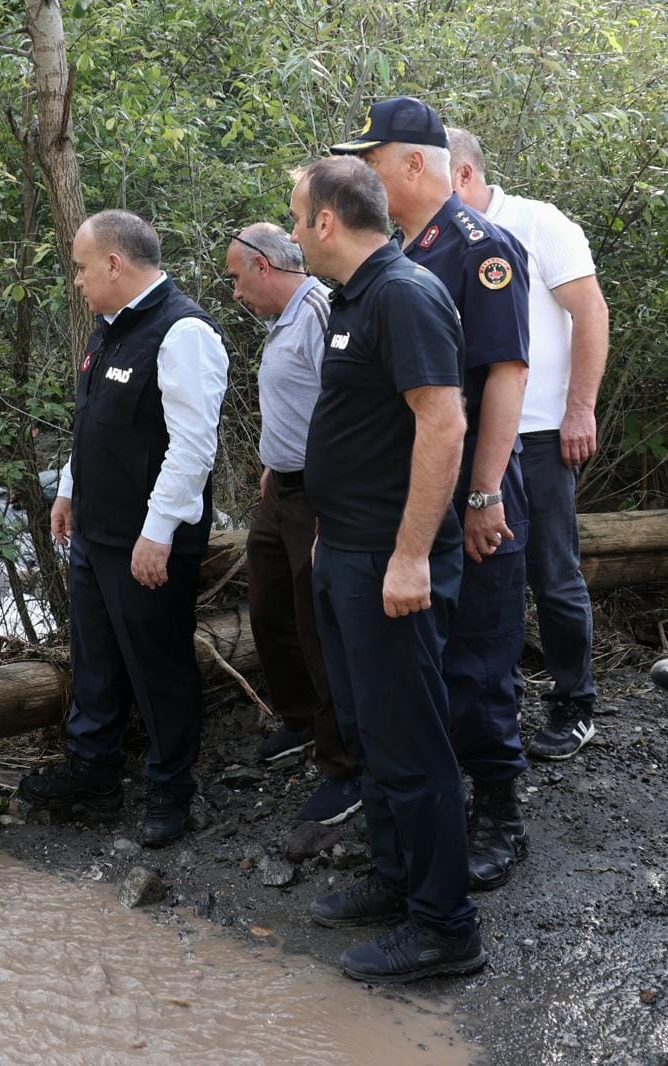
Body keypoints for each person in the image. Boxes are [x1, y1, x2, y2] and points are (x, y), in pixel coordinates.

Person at [291, 155, 484, 984]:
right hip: (349, 551)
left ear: (327, 221)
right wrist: (330, 533)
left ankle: (445, 927)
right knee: (375, 735)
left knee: (412, 744)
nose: (295, 229)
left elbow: (443, 427)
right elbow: (365, 432)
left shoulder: (404, 293)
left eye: (297, 216)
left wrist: (409, 556)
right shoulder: (353, 298)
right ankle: (398, 880)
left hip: (392, 562)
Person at [333, 97, 533, 892]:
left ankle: (499, 813)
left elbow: (507, 378)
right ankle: (426, 818)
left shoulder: (481, 249)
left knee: (479, 654)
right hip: (414, 488)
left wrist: (484, 493)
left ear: (414, 164)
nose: (366, 178)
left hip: (472, 483)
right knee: (424, 661)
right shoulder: (403, 251)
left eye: (374, 162)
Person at [23, 209, 229, 849]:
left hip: (148, 541)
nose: (78, 281)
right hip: (95, 533)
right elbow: (94, 421)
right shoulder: (108, 329)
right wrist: (68, 489)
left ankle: (171, 791)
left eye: (83, 268)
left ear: (115, 264)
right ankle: (94, 771)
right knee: (96, 660)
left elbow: (193, 446)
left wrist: (158, 529)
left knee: (159, 666)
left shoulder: (182, 332)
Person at [448, 126, 611, 760]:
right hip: (470, 433)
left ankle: (575, 703)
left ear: (461, 174)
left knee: (552, 573)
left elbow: (590, 312)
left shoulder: (537, 224)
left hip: (540, 430)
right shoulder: (433, 240)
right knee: (482, 578)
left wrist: (580, 409)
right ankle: (496, 700)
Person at [225, 223, 361, 826]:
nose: (234, 293)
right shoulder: (283, 322)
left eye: (235, 278)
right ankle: (301, 719)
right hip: (280, 487)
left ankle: (345, 766)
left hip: (318, 494)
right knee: (267, 608)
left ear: (262, 266)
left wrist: (328, 494)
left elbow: (346, 410)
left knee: (318, 624)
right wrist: (272, 462)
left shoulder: (318, 312)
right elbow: (297, 402)